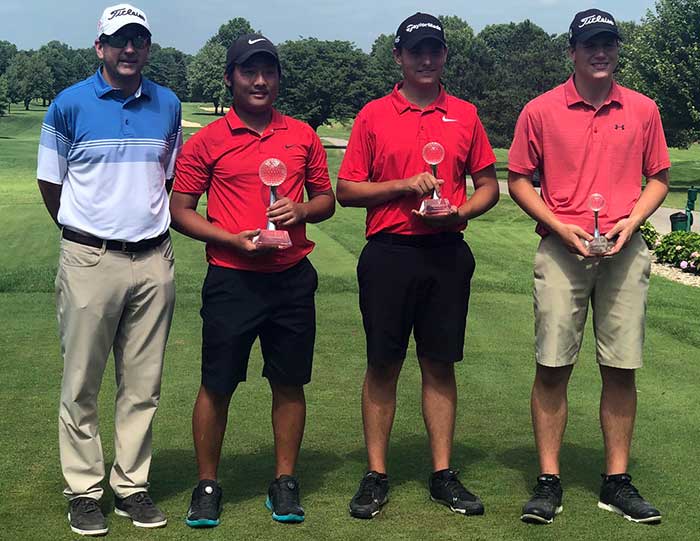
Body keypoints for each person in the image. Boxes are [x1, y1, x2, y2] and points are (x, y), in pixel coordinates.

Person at [508, 8, 670, 525]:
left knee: (621, 368)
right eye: (590, 44)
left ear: (616, 49)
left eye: (608, 43)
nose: (600, 52)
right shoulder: (540, 110)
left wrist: (631, 223)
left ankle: (616, 481)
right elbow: (517, 179)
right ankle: (549, 480)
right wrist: (559, 226)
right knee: (552, 364)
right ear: (572, 51)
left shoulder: (643, 109)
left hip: (624, 249)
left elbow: (659, 177)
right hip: (562, 249)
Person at [336, 12, 499, 519]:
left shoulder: (466, 115)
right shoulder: (372, 115)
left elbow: (489, 186)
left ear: (444, 55)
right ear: (398, 57)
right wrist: (403, 186)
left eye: (434, 50)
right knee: (383, 363)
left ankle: (442, 473)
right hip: (389, 254)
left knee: (439, 362)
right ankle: (377, 473)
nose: (425, 59)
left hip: (446, 252)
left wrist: (461, 212)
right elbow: (346, 191)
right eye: (415, 51)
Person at [170, 34, 335, 527]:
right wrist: (229, 239)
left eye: (268, 71)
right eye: (249, 71)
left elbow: (326, 199)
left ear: (279, 78)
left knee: (288, 383)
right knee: (217, 384)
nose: (260, 81)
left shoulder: (302, 135)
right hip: (232, 279)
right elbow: (180, 211)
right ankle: (207, 484)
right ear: (230, 78)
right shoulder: (207, 141)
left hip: (290, 278)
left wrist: (301, 208)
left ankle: (284, 480)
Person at [36, 3, 182, 536]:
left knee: (143, 384)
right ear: (100, 46)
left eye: (138, 40)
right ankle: (83, 490)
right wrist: (86, 234)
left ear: (147, 47)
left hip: (153, 258)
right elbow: (51, 184)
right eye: (119, 40)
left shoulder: (167, 104)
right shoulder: (68, 104)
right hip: (89, 258)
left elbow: (164, 180)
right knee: (81, 381)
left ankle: (132, 486)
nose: (129, 49)